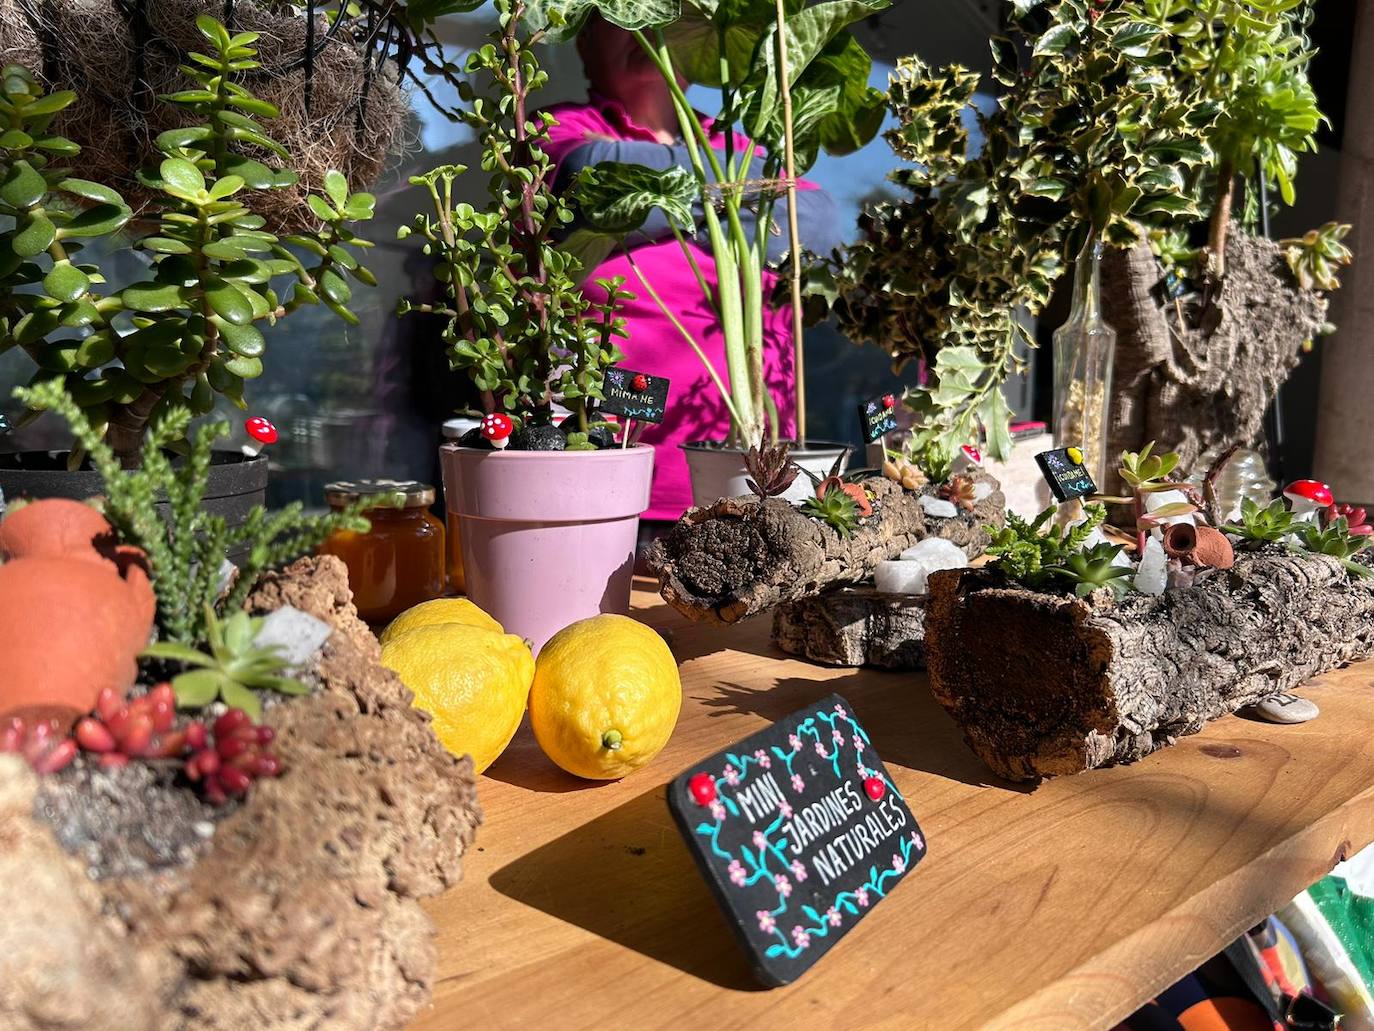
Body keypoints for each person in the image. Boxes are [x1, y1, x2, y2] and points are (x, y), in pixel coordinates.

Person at [542, 15, 843, 527]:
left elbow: (818, 222)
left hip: (767, 483)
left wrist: (663, 212)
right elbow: (591, 179)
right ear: (584, 42)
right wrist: (743, 201)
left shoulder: (743, 142)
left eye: (664, 12)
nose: (645, 25)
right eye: (621, 14)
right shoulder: (561, 127)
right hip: (627, 488)